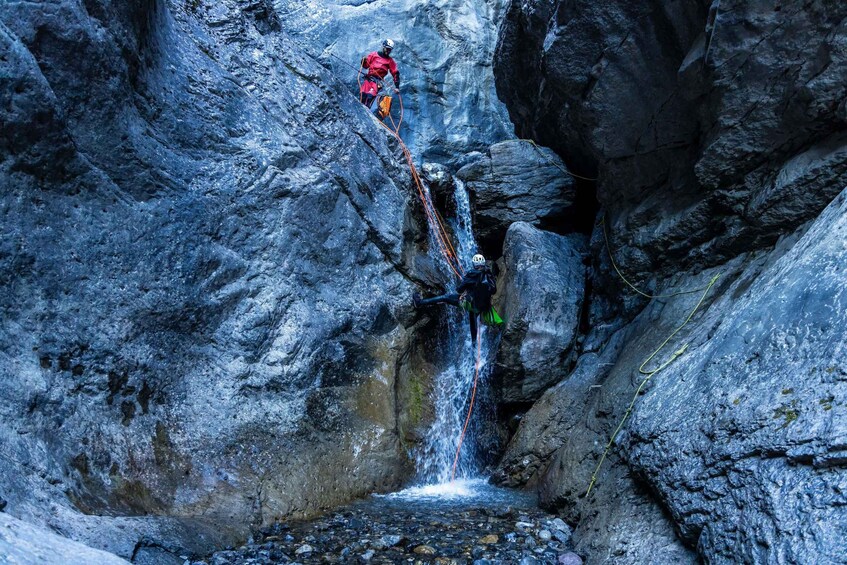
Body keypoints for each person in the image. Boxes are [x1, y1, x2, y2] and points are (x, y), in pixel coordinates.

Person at [414, 254, 503, 345]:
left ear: (474, 264)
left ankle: (420, 302)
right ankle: (474, 342)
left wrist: (466, 281)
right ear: (483, 263)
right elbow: (493, 290)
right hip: (484, 306)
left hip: (471, 304)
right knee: (473, 315)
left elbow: (459, 290)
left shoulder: (471, 274)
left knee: (446, 297)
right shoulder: (488, 273)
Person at [360, 39, 400, 111]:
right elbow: (365, 66)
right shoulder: (373, 55)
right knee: (363, 95)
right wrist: (363, 61)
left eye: (390, 50)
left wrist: (397, 87)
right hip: (369, 79)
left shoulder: (390, 61)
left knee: (370, 96)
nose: (388, 51)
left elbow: (395, 73)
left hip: (377, 82)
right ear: (383, 47)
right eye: (387, 49)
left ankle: (366, 112)